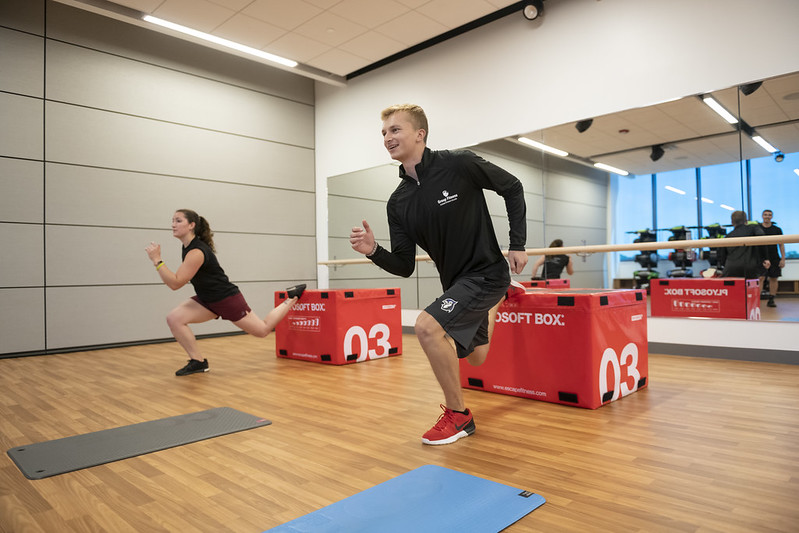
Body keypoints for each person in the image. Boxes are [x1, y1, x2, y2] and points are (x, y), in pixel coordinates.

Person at [349, 104, 528, 446]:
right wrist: (374, 250)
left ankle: (459, 417)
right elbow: (404, 265)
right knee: (475, 357)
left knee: (427, 328)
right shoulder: (398, 202)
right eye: (384, 133)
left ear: (420, 134)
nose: (388, 138)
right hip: (458, 285)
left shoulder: (458, 164)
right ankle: (497, 303)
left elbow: (513, 187)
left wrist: (516, 243)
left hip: (487, 272)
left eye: (395, 130)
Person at [145, 209, 306, 376]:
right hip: (207, 299)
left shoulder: (196, 252)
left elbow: (175, 283)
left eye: (178, 221)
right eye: (173, 220)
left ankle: (292, 297)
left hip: (226, 298)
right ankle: (198, 362)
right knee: (174, 318)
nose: (173, 224)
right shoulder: (188, 247)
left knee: (262, 330)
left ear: (191, 225)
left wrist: (157, 259)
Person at [717, 210, 770, 280]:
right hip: (750, 268)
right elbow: (761, 237)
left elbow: (722, 256)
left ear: (732, 222)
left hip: (730, 268)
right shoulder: (754, 228)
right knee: (750, 288)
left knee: (732, 290)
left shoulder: (728, 236)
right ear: (746, 221)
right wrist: (765, 258)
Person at [758, 209, 785, 308]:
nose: (767, 216)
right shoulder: (758, 229)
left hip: (774, 258)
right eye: (765, 215)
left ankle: (771, 299)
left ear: (772, 217)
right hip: (761, 258)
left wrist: (783, 259)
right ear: (762, 216)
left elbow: (781, 245)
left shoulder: (777, 230)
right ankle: (757, 300)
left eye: (769, 215)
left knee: (774, 278)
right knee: (760, 278)